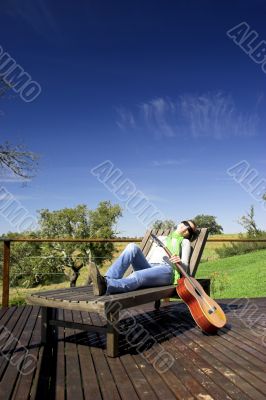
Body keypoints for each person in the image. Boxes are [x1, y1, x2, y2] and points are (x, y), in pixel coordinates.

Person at [90, 220, 197, 296]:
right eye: (186, 224)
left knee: (137, 275)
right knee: (132, 247)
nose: (185, 228)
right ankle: (108, 278)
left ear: (189, 234)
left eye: (189, 230)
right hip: (150, 267)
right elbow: (150, 256)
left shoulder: (185, 242)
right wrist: (144, 265)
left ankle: (106, 285)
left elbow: (185, 268)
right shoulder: (161, 238)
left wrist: (179, 262)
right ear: (180, 223)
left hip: (167, 271)